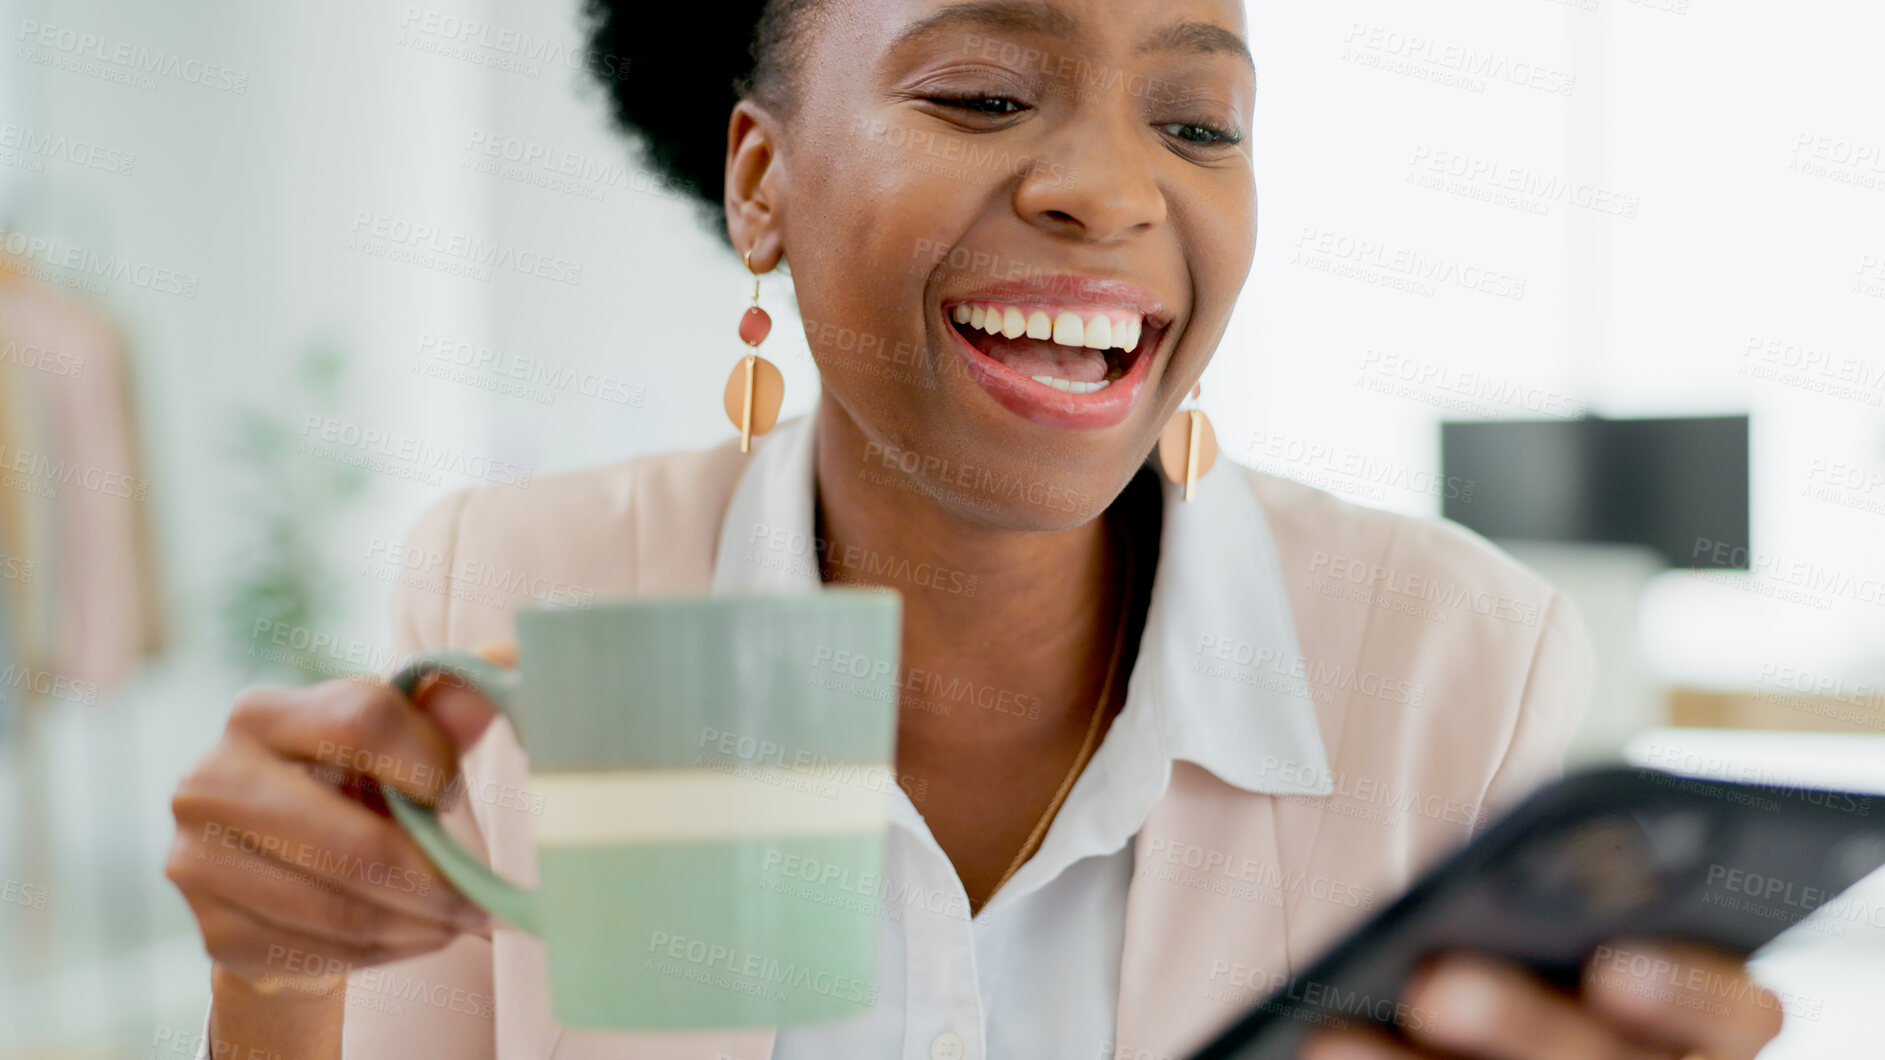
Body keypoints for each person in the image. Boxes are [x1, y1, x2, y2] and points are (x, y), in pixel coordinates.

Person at [166, 1, 1787, 1057]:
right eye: (984, 92)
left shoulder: (1456, 654)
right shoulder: (524, 584)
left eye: (1197, 122)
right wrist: (279, 967)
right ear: (760, 181)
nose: (1110, 187)